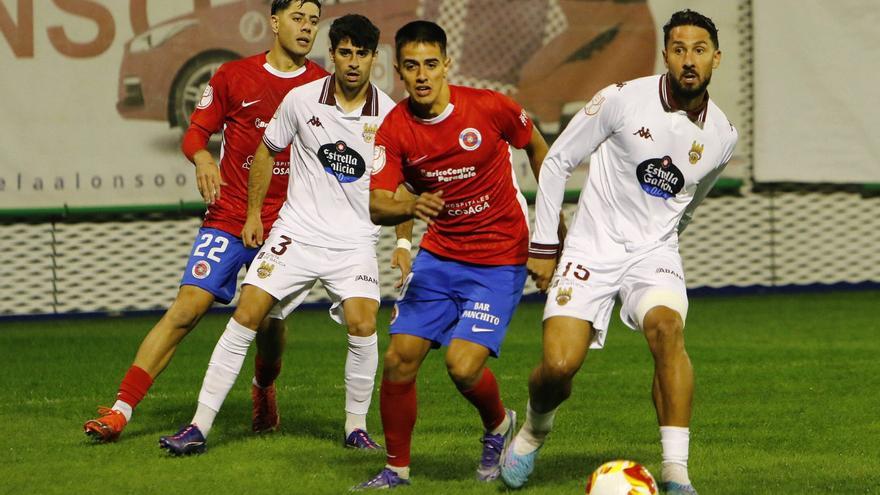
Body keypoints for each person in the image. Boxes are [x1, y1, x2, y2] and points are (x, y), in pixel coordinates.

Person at [499, 10, 738, 495]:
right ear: (665, 53)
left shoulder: (722, 136)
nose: (688, 60)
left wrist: (665, 245)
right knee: (559, 369)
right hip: (591, 246)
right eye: (678, 48)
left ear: (716, 57)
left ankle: (676, 473)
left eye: (698, 50)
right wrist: (545, 246)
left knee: (667, 329)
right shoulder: (621, 99)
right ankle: (531, 431)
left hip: (653, 252)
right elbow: (557, 162)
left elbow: (689, 202)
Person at [158, 13, 405, 455]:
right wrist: (254, 215)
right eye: (344, 52)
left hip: (353, 242)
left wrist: (403, 243)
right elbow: (265, 152)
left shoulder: (390, 116)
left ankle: (355, 427)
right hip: (296, 232)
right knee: (247, 313)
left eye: (361, 54)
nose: (352, 63)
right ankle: (198, 425)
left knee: (363, 323)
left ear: (373, 59)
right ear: (332, 55)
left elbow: (405, 186)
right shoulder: (301, 99)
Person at [83, 0, 328, 442]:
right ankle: (120, 409)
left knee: (268, 321)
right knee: (187, 308)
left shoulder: (321, 87)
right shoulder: (233, 77)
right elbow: (197, 132)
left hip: (287, 225)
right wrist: (200, 157)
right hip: (230, 215)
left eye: (313, 21)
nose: (307, 28)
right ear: (274, 22)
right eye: (298, 18)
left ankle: (264, 389)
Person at [353, 20, 552, 490]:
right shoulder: (395, 129)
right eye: (410, 66)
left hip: (500, 256)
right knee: (400, 357)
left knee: (462, 366)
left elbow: (539, 147)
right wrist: (408, 206)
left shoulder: (489, 107)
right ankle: (396, 470)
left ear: (446, 64)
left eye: (429, 64)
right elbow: (378, 203)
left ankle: (498, 425)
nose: (421, 75)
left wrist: (550, 225)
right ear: (397, 72)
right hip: (440, 257)